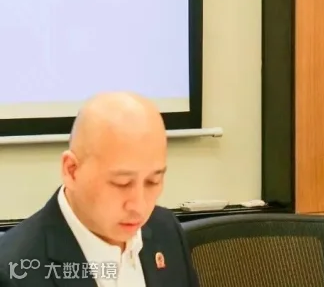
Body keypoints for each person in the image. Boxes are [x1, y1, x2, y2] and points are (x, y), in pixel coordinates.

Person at [0, 92, 200, 287]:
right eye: (122, 183)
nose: (139, 206)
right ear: (71, 171)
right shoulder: (13, 271)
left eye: (153, 181)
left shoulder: (165, 230)